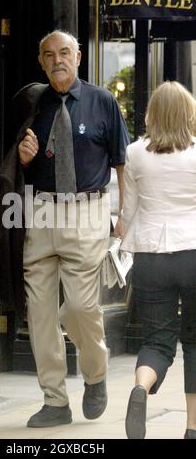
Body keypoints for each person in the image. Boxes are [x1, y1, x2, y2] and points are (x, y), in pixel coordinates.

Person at [0, 30, 129, 428]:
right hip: (38, 213)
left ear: (79, 56)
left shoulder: (103, 101)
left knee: (82, 308)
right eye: (49, 55)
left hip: (87, 213)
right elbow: (16, 164)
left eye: (65, 53)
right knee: (39, 315)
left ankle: (96, 374)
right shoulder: (35, 105)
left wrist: (125, 217)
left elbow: (123, 166)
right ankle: (55, 400)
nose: (57, 60)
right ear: (41, 62)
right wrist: (24, 156)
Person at [120, 81, 196, 439]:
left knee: (157, 341)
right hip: (194, 253)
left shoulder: (134, 154)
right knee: (195, 342)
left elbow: (128, 212)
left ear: (153, 114)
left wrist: (117, 237)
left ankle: (140, 387)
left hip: (151, 256)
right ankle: (193, 427)